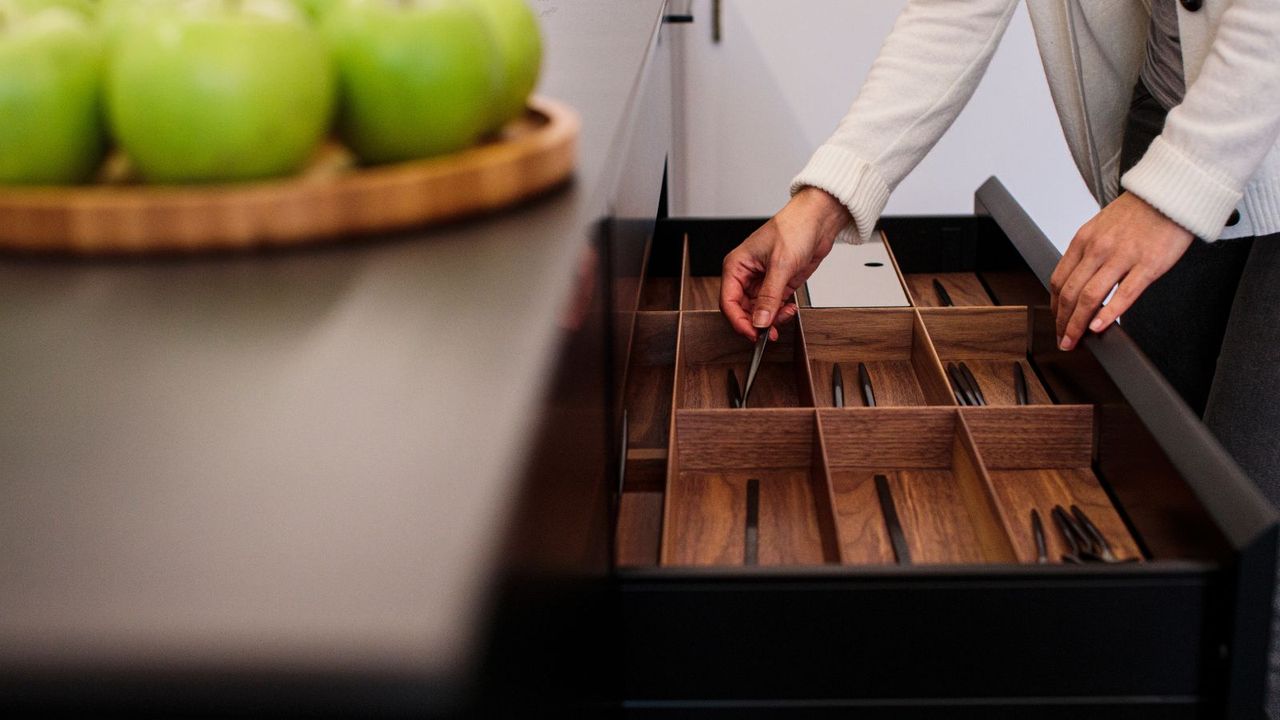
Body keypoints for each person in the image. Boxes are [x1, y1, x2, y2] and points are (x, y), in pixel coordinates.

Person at [719, 1, 1280, 713]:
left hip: (1229, 130)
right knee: (1164, 515)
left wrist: (1172, 194)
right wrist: (825, 200)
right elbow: (953, 12)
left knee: (1257, 557)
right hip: (1180, 121)